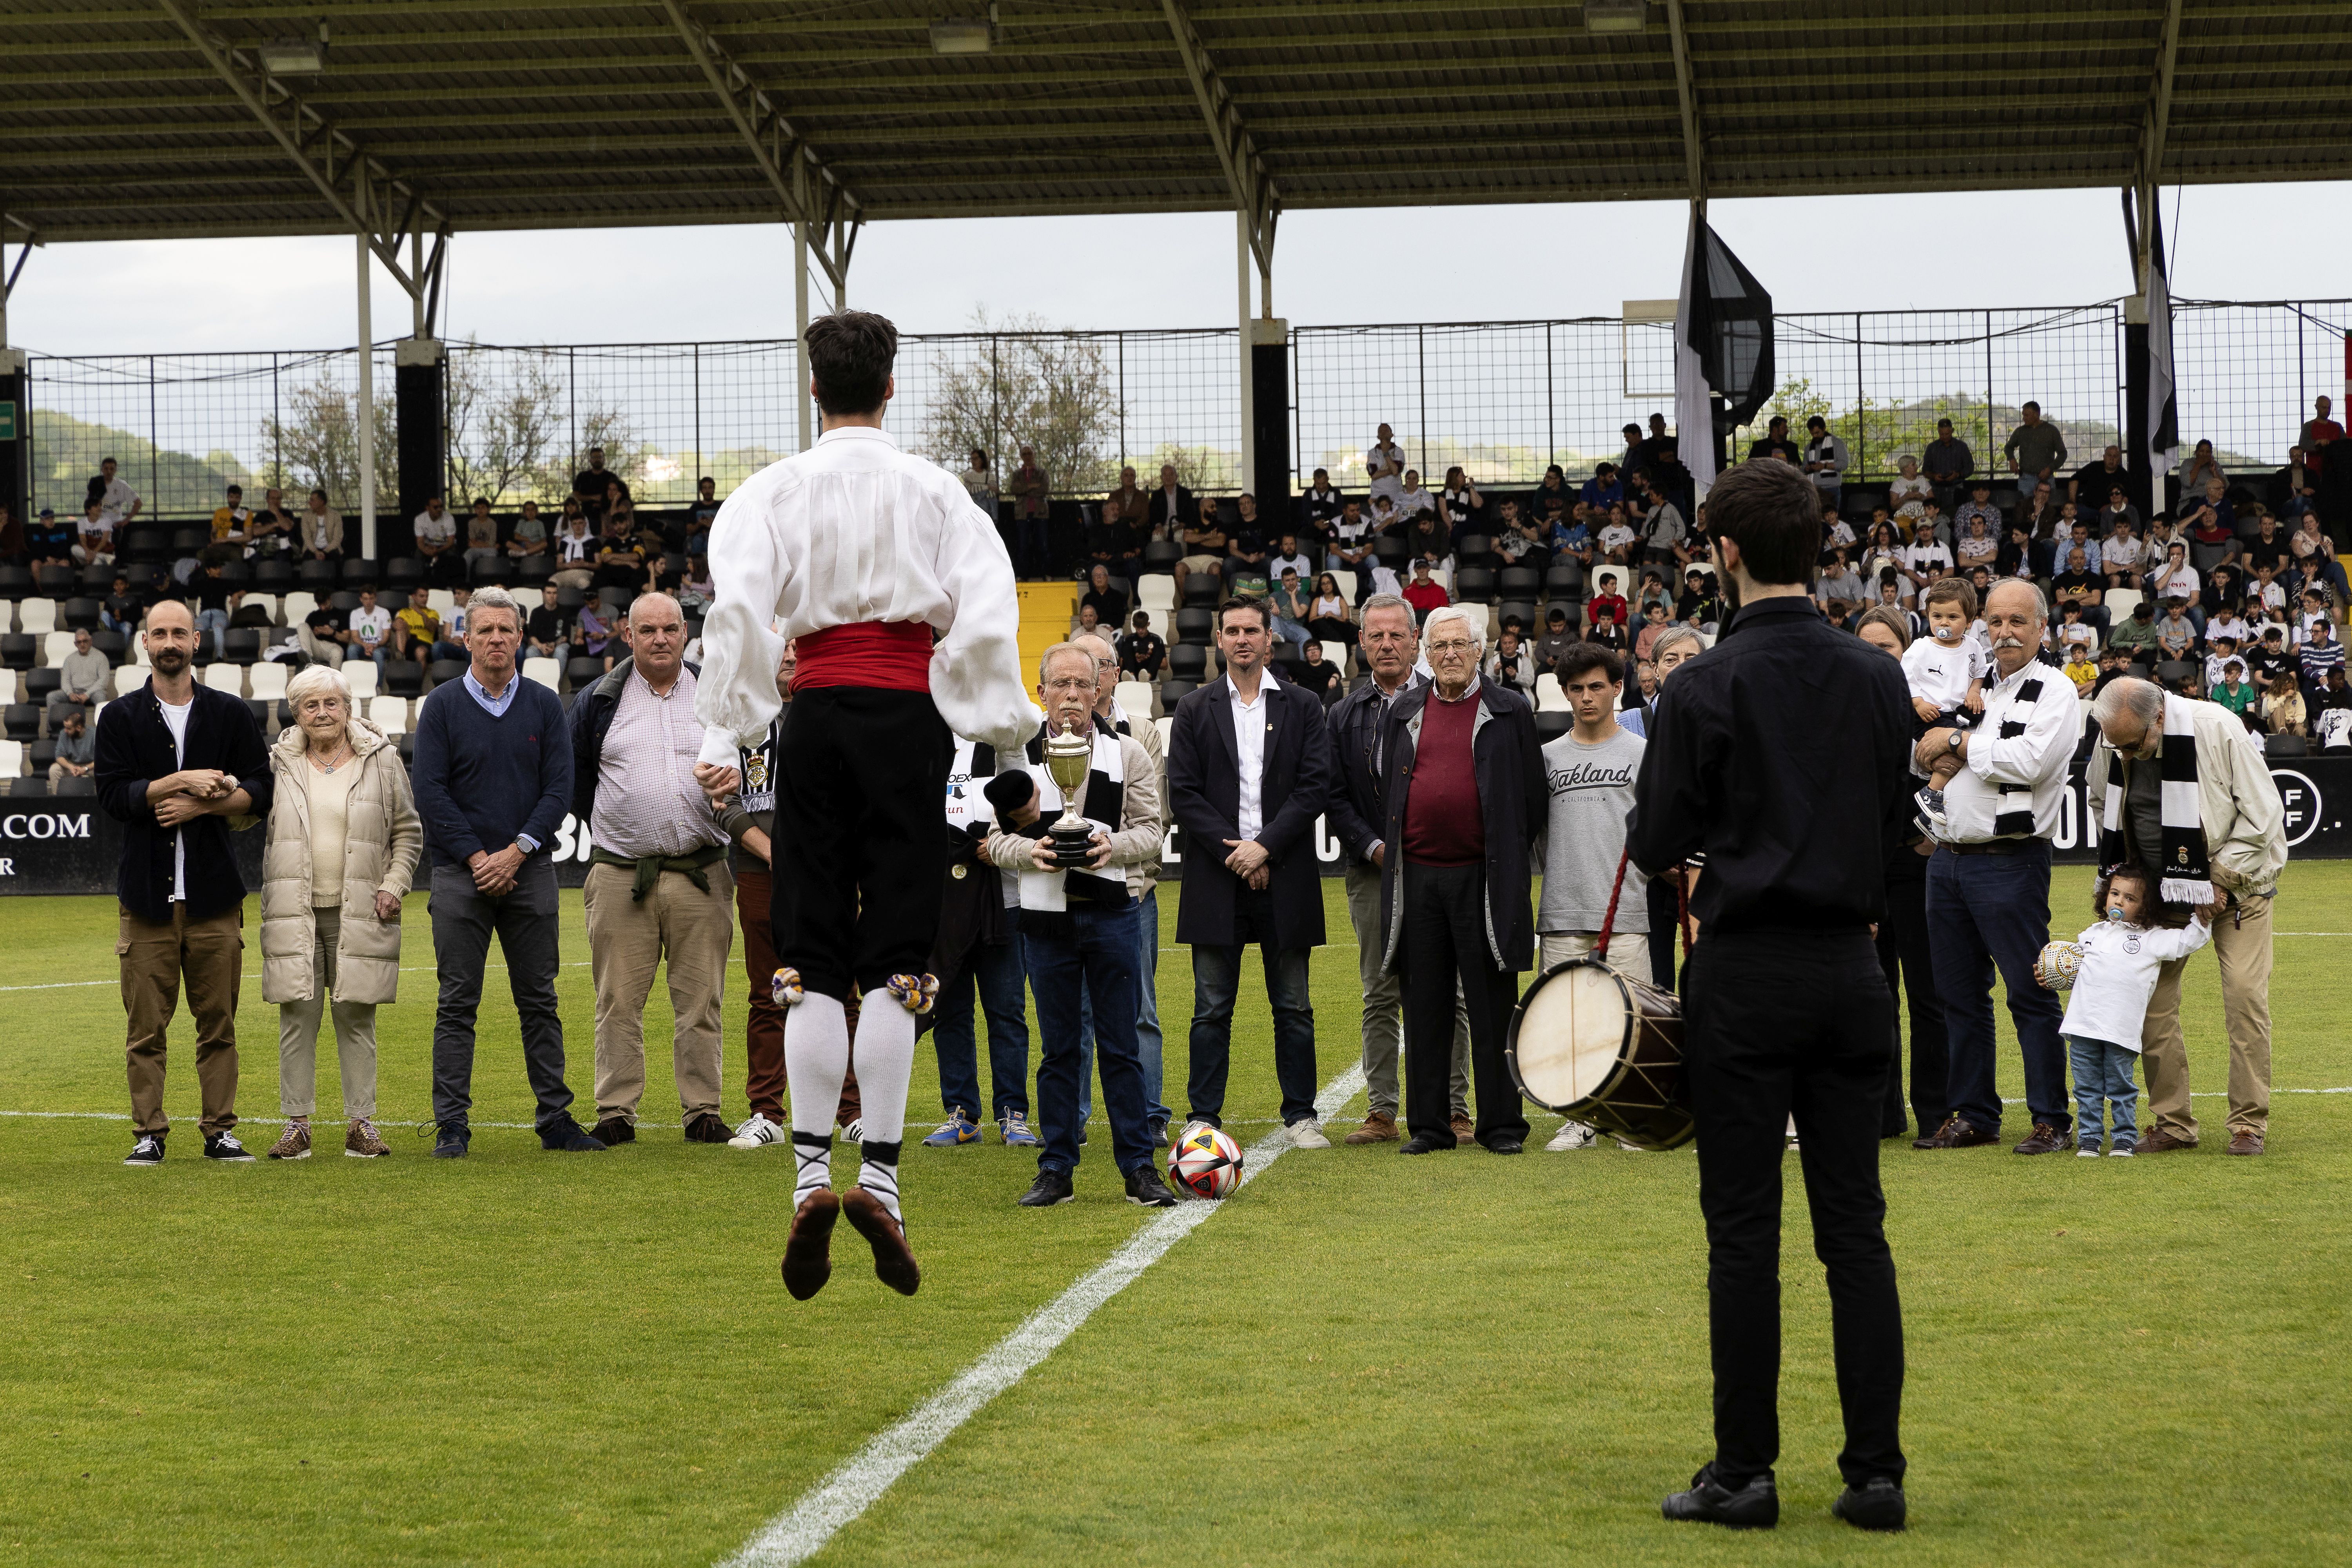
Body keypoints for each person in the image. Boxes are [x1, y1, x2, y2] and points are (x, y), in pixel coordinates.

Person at [693, 309, 1034, 1301]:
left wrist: (727, 737)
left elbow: (741, 617)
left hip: (817, 719)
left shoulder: (770, 492)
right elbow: (987, 617)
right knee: (896, 958)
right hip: (908, 716)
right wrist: (1005, 745)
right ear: (892, 388)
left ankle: (809, 1174)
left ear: (814, 390)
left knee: (804, 956)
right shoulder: (939, 493)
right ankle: (879, 1175)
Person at [1628, 459, 1912, 1534]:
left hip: (1745, 971)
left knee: (1744, 1232)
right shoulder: (1877, 677)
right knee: (1857, 1229)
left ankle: (1744, 1471)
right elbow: (1891, 830)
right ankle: (1876, 1474)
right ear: (1818, 548)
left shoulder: (1702, 683)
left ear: (1726, 553)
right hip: (1849, 967)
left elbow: (1656, 840)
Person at [410, 585, 604, 1158]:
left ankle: (556, 1121)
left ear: (521, 637)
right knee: (456, 1005)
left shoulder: (545, 704)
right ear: (465, 637)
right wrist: (477, 858)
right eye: (485, 630)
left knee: (540, 1000)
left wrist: (516, 851)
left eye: (506, 630)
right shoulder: (442, 705)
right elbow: (431, 793)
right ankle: (452, 1126)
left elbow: (560, 788)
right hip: (457, 878)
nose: (496, 639)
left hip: (531, 872)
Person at [984, 643, 1180, 1207]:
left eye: (1081, 684)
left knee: (1121, 1045)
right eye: (1060, 684)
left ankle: (1138, 1168)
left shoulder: (1130, 754)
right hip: (1045, 921)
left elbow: (1150, 831)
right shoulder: (1016, 759)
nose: (1071, 695)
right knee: (1059, 1050)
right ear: (1040, 691)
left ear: (1099, 691)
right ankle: (1057, 1168)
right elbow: (994, 839)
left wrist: (1109, 846)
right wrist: (1030, 852)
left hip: (1114, 914)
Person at [96, 600, 276, 1166]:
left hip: (214, 896)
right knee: (146, 1028)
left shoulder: (228, 713)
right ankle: (149, 1133)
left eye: (179, 632)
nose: (169, 641)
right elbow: (113, 797)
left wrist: (202, 808)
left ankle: (219, 1131)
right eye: (159, 633)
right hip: (146, 899)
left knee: (218, 1024)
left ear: (197, 642)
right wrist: (177, 781)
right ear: (144, 644)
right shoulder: (121, 717)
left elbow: (261, 791)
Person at [1914, 581, 2086, 1155]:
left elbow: (2030, 763)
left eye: (2017, 621)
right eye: (1995, 621)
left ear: (2042, 627)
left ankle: (2051, 1119)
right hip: (1948, 860)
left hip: (2010, 862)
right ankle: (1976, 1115)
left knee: (2029, 992)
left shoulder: (2055, 690)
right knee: (1958, 997)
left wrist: (1957, 741)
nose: (2004, 631)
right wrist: (1952, 743)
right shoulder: (1980, 685)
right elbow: (1930, 758)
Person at [2085, 677, 2286, 1156]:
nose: (2125, 756)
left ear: (2158, 719)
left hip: (2240, 891)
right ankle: (2173, 1123)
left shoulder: (2218, 728)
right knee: (2152, 1008)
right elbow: (2100, 801)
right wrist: (2128, 873)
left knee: (2243, 999)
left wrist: (2218, 879)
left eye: (2133, 745)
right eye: (2118, 746)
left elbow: (2263, 816)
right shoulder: (2113, 737)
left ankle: (2248, 1124)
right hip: (2157, 895)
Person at [1372, 605, 1543, 1156]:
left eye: (1460, 645)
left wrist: (1504, 857)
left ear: (1479, 651)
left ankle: (1501, 1127)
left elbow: (1532, 801)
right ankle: (1429, 1127)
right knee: (1425, 1004)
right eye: (1440, 646)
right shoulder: (1405, 712)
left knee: (1493, 1003)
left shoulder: (1510, 710)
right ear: (1426, 653)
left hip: (1483, 879)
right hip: (1419, 878)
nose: (1450, 654)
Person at [568, 593, 737, 1147]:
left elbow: (747, 770)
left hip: (702, 871)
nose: (660, 638)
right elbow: (576, 784)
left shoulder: (716, 695)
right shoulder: (598, 700)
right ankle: (616, 1110)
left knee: (702, 1001)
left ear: (686, 632)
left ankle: (703, 1109)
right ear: (628, 635)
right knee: (617, 1000)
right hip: (621, 874)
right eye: (648, 630)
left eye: (669, 628)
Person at [1165, 596, 1333, 1148]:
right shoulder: (1193, 708)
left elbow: (1314, 786)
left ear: (1269, 639)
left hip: (1284, 872)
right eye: (1232, 630)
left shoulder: (1305, 705)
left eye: (1252, 630)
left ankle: (1301, 1116)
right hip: (1218, 876)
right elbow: (1184, 794)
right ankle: (1203, 1116)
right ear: (1219, 639)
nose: (1242, 639)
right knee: (1211, 1007)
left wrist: (1264, 849)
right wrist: (1235, 852)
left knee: (1294, 1006)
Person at [1324, 593, 1474, 1146]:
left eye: (1397, 635)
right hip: (1373, 873)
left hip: (1443, 868)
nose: (1387, 644)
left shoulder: (1449, 701)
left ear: (1416, 642)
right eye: (1376, 636)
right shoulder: (1343, 713)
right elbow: (1334, 794)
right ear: (1362, 644)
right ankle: (1383, 1112)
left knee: (1451, 993)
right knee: (1379, 990)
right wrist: (1373, 847)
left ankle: (1456, 1111)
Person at [258, 664, 421, 1161]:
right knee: (297, 1019)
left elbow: (408, 833)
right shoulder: (277, 763)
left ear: (349, 709)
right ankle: (297, 1125)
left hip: (361, 912)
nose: (323, 713)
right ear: (296, 713)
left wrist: (395, 884)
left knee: (356, 1018)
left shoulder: (384, 760)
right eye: (311, 705)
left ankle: (361, 1124)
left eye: (332, 703)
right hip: (294, 911)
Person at [714, 640, 865, 1151]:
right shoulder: (741, 719)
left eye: (799, 648)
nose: (789, 656)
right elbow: (722, 801)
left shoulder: (839, 711)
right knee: (767, 994)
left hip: (831, 876)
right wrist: (775, 852)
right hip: (763, 874)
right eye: (780, 649)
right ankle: (766, 1112)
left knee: (842, 992)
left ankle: (853, 1112)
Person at [1535, 641, 1651, 1152]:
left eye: (1597, 687)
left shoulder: (1643, 755)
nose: (1587, 697)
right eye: (1577, 688)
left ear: (1617, 688)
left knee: (1632, 1024)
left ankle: (1629, 1119)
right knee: (1567, 1025)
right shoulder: (1546, 758)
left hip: (1626, 911)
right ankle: (1578, 1120)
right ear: (1565, 693)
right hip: (1561, 910)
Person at [1855, 608, 1949, 1141]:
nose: (1875, 656)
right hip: (1864, 869)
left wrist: (1926, 838)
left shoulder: (1932, 713)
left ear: (1907, 652)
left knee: (1927, 993)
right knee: (1874, 997)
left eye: (1886, 647)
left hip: (1916, 866)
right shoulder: (1840, 712)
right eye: (1865, 646)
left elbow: (1954, 772)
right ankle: (1882, 1112)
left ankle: (1935, 1113)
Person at [2045, 866, 2212, 1159]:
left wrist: (2203, 916)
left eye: (2131, 898)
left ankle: (2123, 1139)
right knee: (2086, 1088)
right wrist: (2049, 974)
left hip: (2121, 1032)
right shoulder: (2090, 936)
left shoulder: (2153, 939)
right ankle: (2090, 1140)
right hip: (2083, 1027)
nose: (2119, 902)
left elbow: (2189, 941)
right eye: (2114, 894)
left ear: (2147, 906)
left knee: (2121, 1087)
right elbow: (2069, 969)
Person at [920, 724, 1032, 1149]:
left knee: (1006, 1011)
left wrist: (1001, 844)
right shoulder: (925, 738)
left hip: (1003, 900)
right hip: (942, 902)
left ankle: (1013, 1115)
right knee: (949, 1010)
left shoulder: (1005, 739)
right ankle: (961, 1114)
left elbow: (1030, 808)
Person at [1905, 579, 1989, 834]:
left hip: (1957, 714)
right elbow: (1905, 678)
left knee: (1964, 753)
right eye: (1937, 616)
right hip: (1928, 714)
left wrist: (1975, 691)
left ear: (1970, 620)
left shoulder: (1973, 647)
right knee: (1958, 747)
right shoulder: (1922, 648)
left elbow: (1979, 673)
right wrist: (1918, 703)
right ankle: (1931, 794)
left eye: (1953, 617)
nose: (1944, 623)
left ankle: (1928, 818)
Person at [49, 707, 97, 788]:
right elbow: (59, 756)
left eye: (69, 728)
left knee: (106, 769)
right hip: (73, 765)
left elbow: (101, 759)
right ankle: (57, 799)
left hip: (91, 767)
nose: (65, 731)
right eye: (65, 727)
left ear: (78, 728)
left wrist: (86, 768)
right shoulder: (64, 734)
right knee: (54, 770)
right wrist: (71, 767)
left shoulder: (95, 734)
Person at [347, 586, 392, 671]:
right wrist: (365, 645)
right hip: (363, 646)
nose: (368, 602)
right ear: (361, 599)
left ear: (375, 599)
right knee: (352, 650)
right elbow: (355, 636)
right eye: (366, 599)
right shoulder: (355, 613)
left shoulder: (384, 613)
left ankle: (378, 685)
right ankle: (356, 680)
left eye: (371, 599)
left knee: (377, 653)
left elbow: (386, 636)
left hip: (380, 646)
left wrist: (376, 646)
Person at [300, 489, 343, 560]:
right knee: (308, 559)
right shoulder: (306, 516)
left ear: (322, 502)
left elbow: (338, 538)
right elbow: (307, 538)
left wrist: (325, 552)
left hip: (330, 549)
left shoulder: (335, 515)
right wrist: (316, 552)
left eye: (312, 500)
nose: (310, 503)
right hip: (312, 549)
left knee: (336, 559)